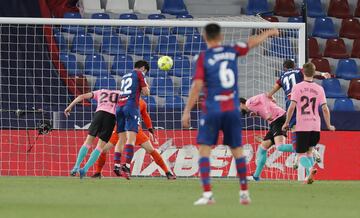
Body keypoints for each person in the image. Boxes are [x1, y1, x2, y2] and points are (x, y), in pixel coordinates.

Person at [182, 23, 279, 205]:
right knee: (237, 151)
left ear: (205, 37)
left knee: (204, 150)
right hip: (232, 109)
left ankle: (208, 195)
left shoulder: (203, 57)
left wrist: (187, 111)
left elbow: (197, 86)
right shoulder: (231, 50)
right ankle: (244, 193)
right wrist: (269, 32)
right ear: (221, 37)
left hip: (212, 109)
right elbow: (251, 42)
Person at [91, 98, 176, 180]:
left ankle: (167, 172)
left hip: (136, 130)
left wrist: (150, 129)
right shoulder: (121, 100)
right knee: (103, 149)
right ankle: (98, 172)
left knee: (151, 150)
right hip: (119, 130)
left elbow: (145, 115)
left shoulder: (142, 103)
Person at [267, 59, 331, 165]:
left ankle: (300, 153)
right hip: (302, 101)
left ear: (284, 68)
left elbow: (273, 89)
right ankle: (310, 149)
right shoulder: (298, 71)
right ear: (294, 65)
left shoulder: (282, 76)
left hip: (291, 101)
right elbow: (311, 72)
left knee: (295, 130)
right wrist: (323, 73)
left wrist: (270, 96)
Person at [282, 62, 335, 184]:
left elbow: (291, 107)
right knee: (310, 152)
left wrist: (286, 122)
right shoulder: (320, 88)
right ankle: (308, 177)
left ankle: (310, 169)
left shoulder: (297, 87)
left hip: (302, 125)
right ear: (314, 72)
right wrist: (329, 125)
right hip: (315, 126)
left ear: (303, 72)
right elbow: (325, 109)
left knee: (300, 154)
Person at [65, 89, 120, 178]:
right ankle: (85, 169)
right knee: (100, 146)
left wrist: (70, 106)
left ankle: (76, 167)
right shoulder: (120, 93)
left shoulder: (101, 91)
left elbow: (81, 96)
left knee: (88, 142)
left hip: (99, 114)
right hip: (111, 117)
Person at [239, 94, 294, 181]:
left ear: (241, 103)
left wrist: (268, 112)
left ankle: (304, 148)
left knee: (280, 147)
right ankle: (256, 176)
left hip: (278, 118)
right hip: (274, 122)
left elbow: (263, 96)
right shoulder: (251, 109)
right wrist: (272, 100)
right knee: (262, 147)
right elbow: (267, 99)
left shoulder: (249, 102)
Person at [115, 60, 150, 179]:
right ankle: (127, 164)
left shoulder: (125, 76)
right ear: (143, 68)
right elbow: (146, 92)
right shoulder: (140, 74)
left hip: (119, 107)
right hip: (131, 106)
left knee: (121, 139)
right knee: (131, 138)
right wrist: (146, 87)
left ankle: (116, 164)